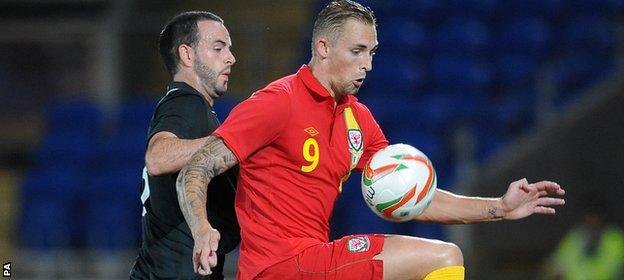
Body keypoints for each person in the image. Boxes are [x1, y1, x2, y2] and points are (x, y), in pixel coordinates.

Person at [175, 1, 566, 279]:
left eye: (373, 52)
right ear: (323, 48)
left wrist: (497, 207)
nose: (368, 64)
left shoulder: (357, 118)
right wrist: (202, 228)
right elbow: (195, 169)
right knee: (445, 256)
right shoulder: (277, 103)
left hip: (314, 262)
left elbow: (414, 197)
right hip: (279, 267)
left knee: (441, 257)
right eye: (358, 51)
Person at [130, 11, 239, 280]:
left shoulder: (188, 105)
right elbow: (157, 157)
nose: (231, 57)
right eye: (218, 47)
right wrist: (236, 142)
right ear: (187, 55)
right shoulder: (186, 103)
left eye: (229, 48)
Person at [543, 192, 624, 280]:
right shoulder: (574, 237)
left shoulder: (616, 240)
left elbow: (607, 272)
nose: (591, 221)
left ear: (603, 217)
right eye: (588, 216)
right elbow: (556, 264)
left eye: (595, 216)